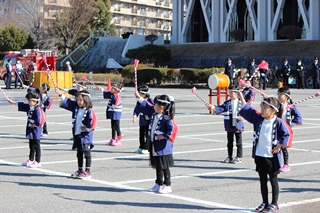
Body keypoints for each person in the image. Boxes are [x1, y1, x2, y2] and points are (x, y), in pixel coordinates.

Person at [238, 94, 293, 213]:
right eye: (261, 107)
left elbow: (288, 134)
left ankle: (274, 203)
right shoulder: (258, 119)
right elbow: (248, 110)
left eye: (265, 108)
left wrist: (280, 144)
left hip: (271, 157)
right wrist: (241, 97)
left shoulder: (279, 122)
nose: (262, 110)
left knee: (273, 180)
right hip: (259, 154)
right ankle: (264, 202)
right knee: (262, 180)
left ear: (273, 110)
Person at [55, 88, 97, 178]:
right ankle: (80, 169)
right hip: (77, 134)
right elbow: (69, 102)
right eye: (77, 100)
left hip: (85, 136)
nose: (79, 102)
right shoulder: (76, 108)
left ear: (86, 100)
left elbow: (93, 124)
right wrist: (60, 94)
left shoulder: (89, 111)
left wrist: (87, 128)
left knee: (87, 153)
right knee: (79, 153)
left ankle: (88, 170)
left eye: (81, 100)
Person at [146, 95, 178, 194]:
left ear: (162, 107)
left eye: (155, 104)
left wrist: (164, 136)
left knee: (164, 166)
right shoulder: (154, 115)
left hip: (163, 147)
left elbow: (171, 130)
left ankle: (167, 184)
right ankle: (158, 183)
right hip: (154, 145)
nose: (153, 106)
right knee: (158, 166)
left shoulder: (167, 118)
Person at [7, 89, 45, 168]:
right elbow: (22, 105)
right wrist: (12, 102)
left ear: (34, 101)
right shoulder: (30, 107)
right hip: (30, 129)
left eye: (29, 101)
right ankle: (31, 159)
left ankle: (38, 161)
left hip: (36, 130)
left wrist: (35, 124)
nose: (28, 103)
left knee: (36, 145)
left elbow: (41, 119)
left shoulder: (38, 109)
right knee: (31, 145)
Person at [205, 87, 244, 164]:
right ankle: (229, 156)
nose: (230, 94)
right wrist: (211, 106)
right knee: (229, 142)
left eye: (232, 93)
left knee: (239, 142)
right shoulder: (227, 103)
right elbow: (220, 108)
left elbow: (246, 111)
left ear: (236, 94)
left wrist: (242, 117)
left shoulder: (241, 103)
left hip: (237, 123)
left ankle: (239, 157)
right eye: (229, 93)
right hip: (229, 123)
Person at [277, 87, 302, 172]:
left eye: (281, 94)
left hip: (285, 130)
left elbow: (298, 116)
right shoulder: (277, 105)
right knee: (275, 146)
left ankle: (286, 164)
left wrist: (290, 126)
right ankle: (276, 163)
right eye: (278, 94)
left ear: (287, 96)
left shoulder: (291, 107)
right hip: (276, 128)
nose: (279, 96)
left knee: (283, 147)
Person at [133, 85, 154, 154]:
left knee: (148, 134)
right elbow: (136, 109)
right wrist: (135, 116)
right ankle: (141, 146)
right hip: (142, 121)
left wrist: (141, 99)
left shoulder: (150, 100)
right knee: (141, 134)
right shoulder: (139, 101)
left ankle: (147, 147)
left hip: (149, 121)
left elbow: (151, 108)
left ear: (144, 94)